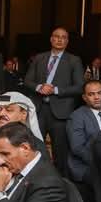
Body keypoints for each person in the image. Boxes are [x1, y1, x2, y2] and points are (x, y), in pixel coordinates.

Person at [24, 27, 84, 175]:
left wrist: (55, 90)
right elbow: (27, 81)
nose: (59, 40)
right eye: (56, 36)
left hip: (60, 112)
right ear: (51, 39)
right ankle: (35, 178)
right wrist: (39, 87)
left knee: (60, 151)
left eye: (63, 37)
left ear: (67, 41)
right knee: (34, 147)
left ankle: (60, 181)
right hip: (39, 109)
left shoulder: (74, 60)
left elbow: (79, 87)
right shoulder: (39, 58)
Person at [66, 80, 101, 183]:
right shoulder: (77, 116)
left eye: (100, 93)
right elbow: (77, 148)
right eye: (91, 94)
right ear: (84, 97)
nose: (97, 97)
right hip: (87, 166)